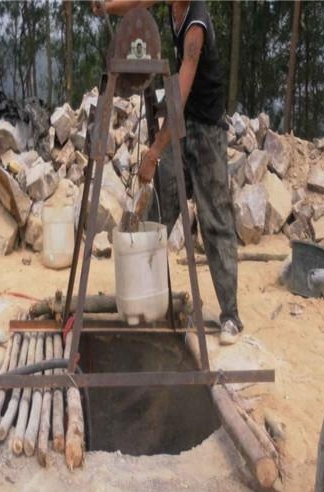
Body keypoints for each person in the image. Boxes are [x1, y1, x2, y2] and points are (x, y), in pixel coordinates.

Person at [94, 0, 243, 345]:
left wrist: (155, 151)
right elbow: (136, 3)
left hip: (206, 130)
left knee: (215, 219)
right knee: (159, 210)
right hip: (183, 124)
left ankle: (231, 316)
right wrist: (106, 6)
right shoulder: (173, 5)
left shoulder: (196, 25)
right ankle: (146, 297)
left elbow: (180, 92)